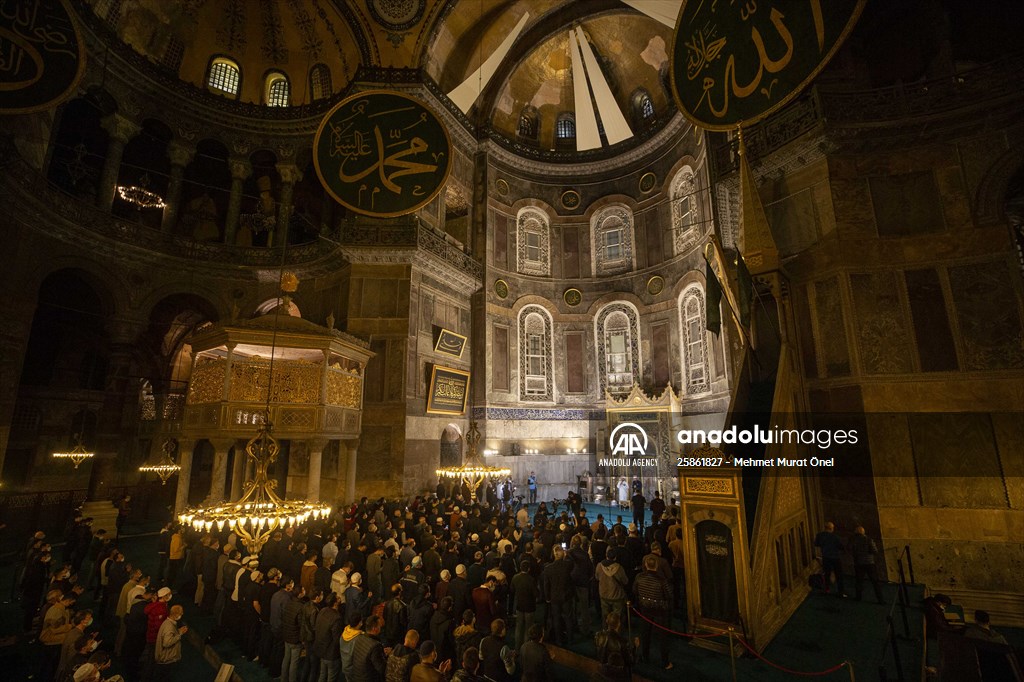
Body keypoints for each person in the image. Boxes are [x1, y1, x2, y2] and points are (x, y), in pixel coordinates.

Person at [633, 555, 674, 670]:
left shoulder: (639, 577)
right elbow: (669, 595)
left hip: (645, 608)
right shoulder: (661, 580)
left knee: (645, 633)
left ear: (646, 565)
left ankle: (645, 656)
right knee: (663, 637)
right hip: (660, 610)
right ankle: (665, 662)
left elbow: (634, 590)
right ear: (656, 566)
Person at [850, 526, 883, 603]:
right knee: (875, 582)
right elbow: (874, 551)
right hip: (869, 563)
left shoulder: (854, 541)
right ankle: (880, 599)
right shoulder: (868, 540)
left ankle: (858, 597)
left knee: (859, 581)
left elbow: (852, 550)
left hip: (859, 563)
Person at [154, 604, 187, 681]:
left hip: (166, 658)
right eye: (180, 613)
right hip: (166, 659)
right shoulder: (169, 627)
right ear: (175, 614)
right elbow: (167, 643)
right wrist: (180, 634)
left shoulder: (168, 623)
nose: (182, 614)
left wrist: (179, 631)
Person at [350, 614, 387, 681]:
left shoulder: (359, 638)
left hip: (357, 676)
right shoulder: (375, 646)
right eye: (379, 626)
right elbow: (381, 668)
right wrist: (385, 656)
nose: (381, 627)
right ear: (374, 629)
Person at [596, 548, 628, 624]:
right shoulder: (619, 568)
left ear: (606, 555)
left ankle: (605, 632)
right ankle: (616, 632)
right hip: (617, 596)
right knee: (617, 618)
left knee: (605, 617)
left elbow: (597, 577)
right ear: (615, 557)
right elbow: (625, 581)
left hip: (604, 594)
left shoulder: (599, 566)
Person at [814, 521, 845, 597]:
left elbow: (816, 544)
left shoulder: (820, 535)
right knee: (839, 575)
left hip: (826, 557)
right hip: (835, 557)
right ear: (831, 528)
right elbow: (841, 547)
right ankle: (840, 592)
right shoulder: (835, 537)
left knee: (827, 574)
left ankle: (826, 589)